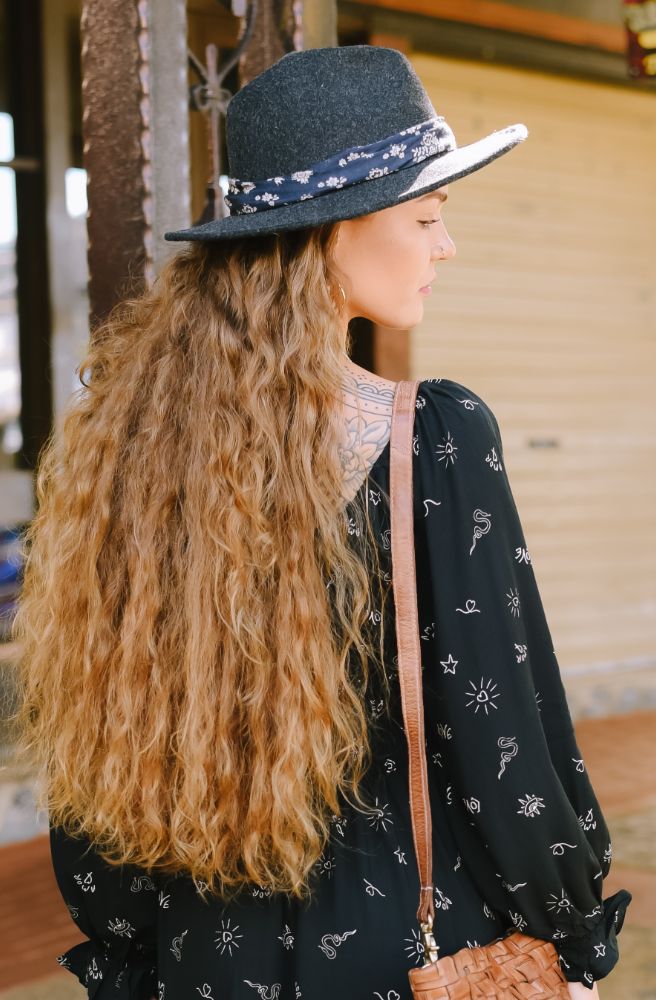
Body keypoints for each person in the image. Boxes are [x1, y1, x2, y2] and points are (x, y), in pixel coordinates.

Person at [13, 44, 630, 1000]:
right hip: (407, 955)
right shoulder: (434, 436)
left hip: (202, 956)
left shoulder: (124, 450)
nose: (445, 246)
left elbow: (91, 784)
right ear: (330, 233)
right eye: (426, 216)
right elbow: (504, 732)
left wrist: (136, 954)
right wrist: (574, 933)